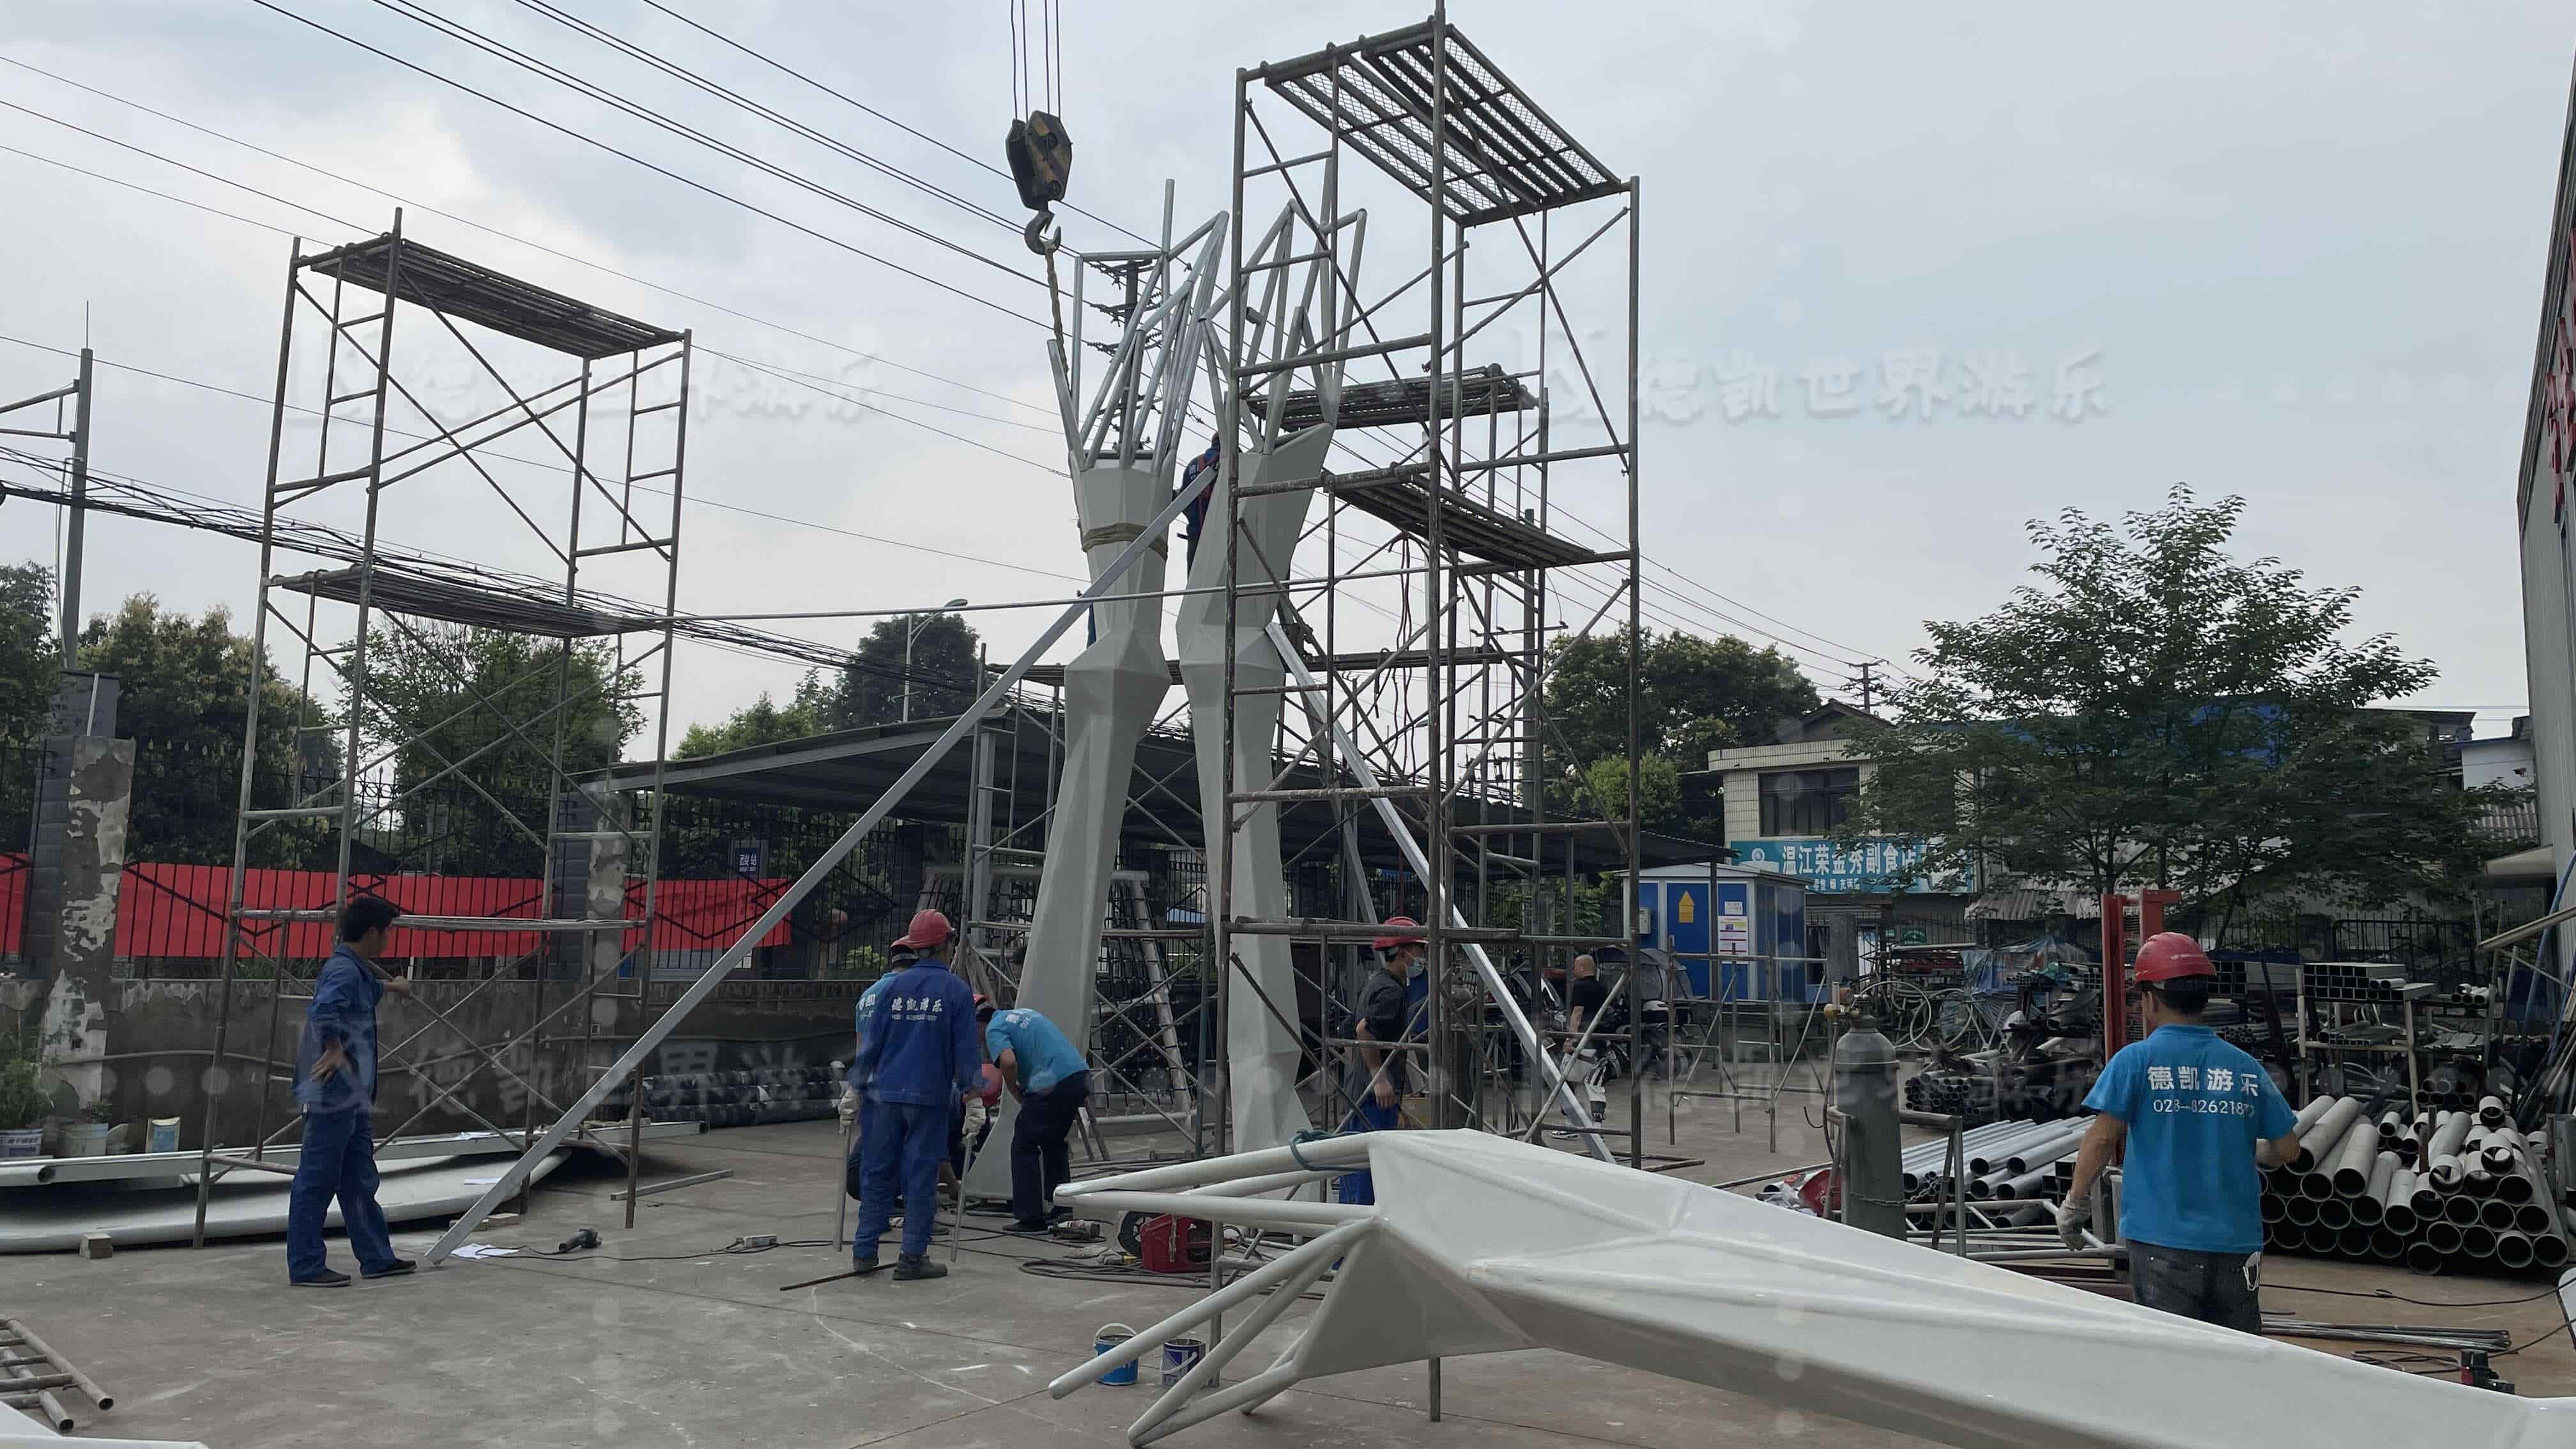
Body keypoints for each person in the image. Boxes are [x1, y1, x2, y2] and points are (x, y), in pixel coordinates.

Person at [2058, 933, 2303, 1332]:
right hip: (2235, 1245)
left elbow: (2102, 1138)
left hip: (2161, 1243)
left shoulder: (2137, 1061)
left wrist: (2075, 1204)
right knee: (2233, 1356)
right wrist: (2251, 1148)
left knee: (2170, 1354)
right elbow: (2288, 1150)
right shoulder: (2244, 1067)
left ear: (2151, 1000)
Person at [287, 895, 414, 1287]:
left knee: (359, 1178)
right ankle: (306, 1265)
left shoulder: (355, 973)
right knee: (317, 1179)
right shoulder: (343, 971)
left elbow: (368, 991)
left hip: (354, 1097)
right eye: (388, 932)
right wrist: (333, 1047)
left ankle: (376, 1258)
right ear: (372, 933)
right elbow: (323, 1010)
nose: (389, 940)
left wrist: (393, 987)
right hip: (334, 1095)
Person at [850, 910, 981, 1282]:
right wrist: (973, 1097)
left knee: (876, 1172)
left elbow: (870, 1046)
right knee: (920, 1175)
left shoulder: (890, 989)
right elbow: (966, 1051)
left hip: (883, 1097)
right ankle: (911, 1258)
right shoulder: (956, 991)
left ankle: (864, 1252)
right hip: (928, 1097)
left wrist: (855, 1089)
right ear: (945, 944)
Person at [982, 999, 1091, 1232]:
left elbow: (1008, 1062)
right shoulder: (1023, 1014)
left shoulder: (993, 1028)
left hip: (1052, 1083)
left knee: (1024, 1143)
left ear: (977, 1024)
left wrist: (1012, 1089)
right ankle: (1062, 1207)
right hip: (1078, 1077)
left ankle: (1030, 1217)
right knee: (1054, 1142)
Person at [1337, 917, 1423, 1204]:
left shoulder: (1376, 984)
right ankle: (1361, 1228)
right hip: (1375, 1100)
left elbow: (1348, 1030)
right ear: (1402, 954)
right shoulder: (1391, 992)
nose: (1422, 957)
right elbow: (1364, 1030)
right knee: (1370, 1174)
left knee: (1357, 1167)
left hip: (1360, 1093)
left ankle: (1347, 1228)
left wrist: (1360, 1072)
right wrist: (1379, 1077)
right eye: (1419, 950)